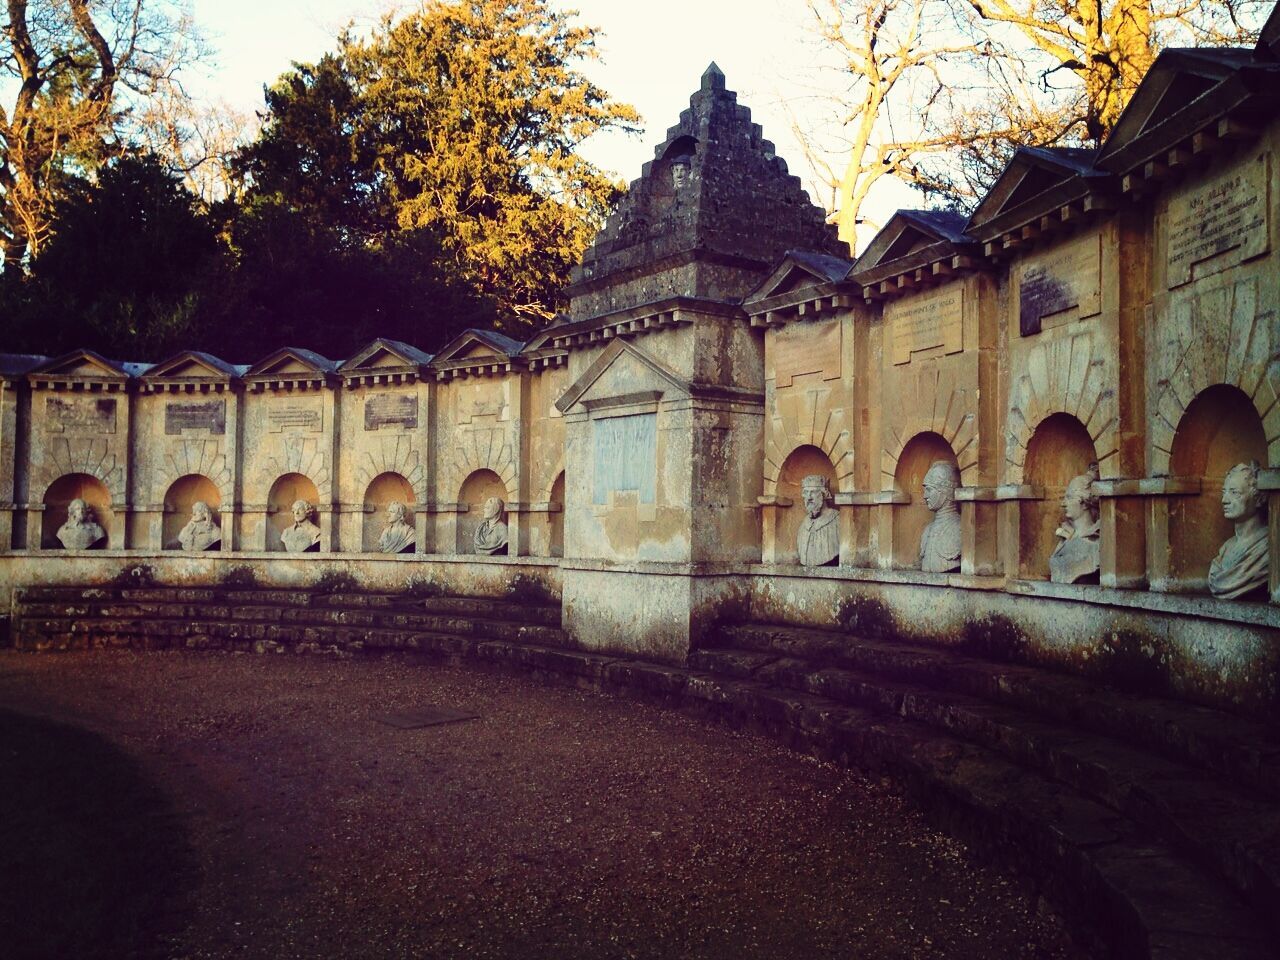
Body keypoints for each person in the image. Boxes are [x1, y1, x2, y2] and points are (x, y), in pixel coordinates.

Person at [1208, 460, 1269, 599]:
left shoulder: (1268, 548)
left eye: (1234, 493)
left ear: (1258, 499)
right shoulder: (1226, 548)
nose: (1224, 499)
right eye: (1224, 492)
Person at [1049, 466, 1100, 584]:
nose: (1063, 504)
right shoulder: (1065, 539)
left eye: (1069, 497)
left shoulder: (1096, 546)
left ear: (1085, 503)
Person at [918, 460, 961, 573]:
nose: (925, 496)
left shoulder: (960, 528)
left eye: (929, 490)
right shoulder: (927, 530)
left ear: (945, 491)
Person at [796, 474, 839, 566]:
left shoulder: (838, 521)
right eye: (806, 492)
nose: (809, 497)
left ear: (825, 494)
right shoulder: (803, 525)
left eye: (813, 492)